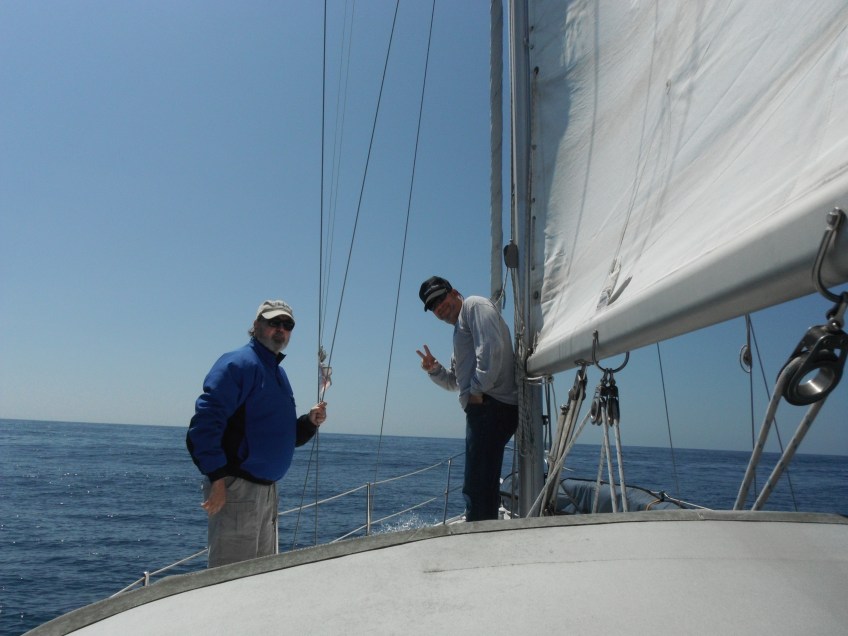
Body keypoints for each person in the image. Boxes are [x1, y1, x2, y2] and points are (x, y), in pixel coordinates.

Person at [187, 299, 327, 568]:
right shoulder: (238, 364)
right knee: (232, 578)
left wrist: (309, 423)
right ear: (256, 325)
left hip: (267, 493)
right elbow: (205, 424)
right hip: (237, 491)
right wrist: (217, 479)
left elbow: (280, 435)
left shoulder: (278, 373)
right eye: (274, 322)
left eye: (287, 325)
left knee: (260, 576)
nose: (281, 329)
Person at [416, 276, 518, 521]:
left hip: (491, 406)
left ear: (454, 292)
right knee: (480, 483)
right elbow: (455, 382)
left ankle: (480, 537)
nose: (439, 307)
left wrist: (476, 395)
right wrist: (434, 370)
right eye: (433, 306)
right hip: (484, 407)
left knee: (477, 486)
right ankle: (484, 531)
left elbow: (491, 351)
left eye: (440, 299)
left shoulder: (474, 306)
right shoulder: (460, 329)